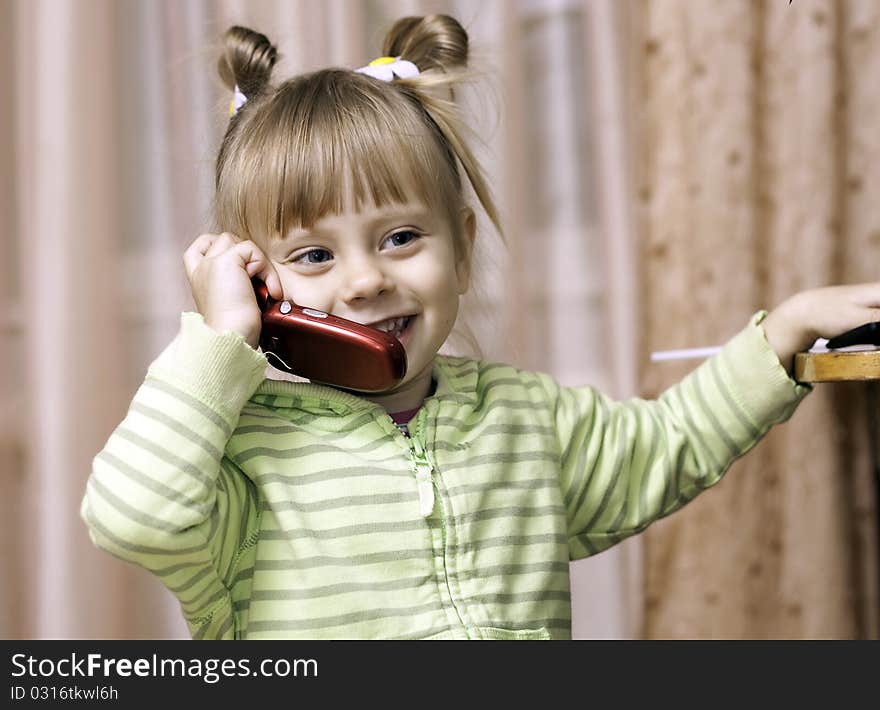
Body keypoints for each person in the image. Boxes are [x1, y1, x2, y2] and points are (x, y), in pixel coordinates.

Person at [80, 14, 880, 640]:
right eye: (315, 255)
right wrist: (222, 341)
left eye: (400, 238)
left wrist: (789, 328)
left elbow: (669, 442)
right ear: (261, 284)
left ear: (461, 249)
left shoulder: (525, 418)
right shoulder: (241, 457)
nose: (366, 280)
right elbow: (131, 515)